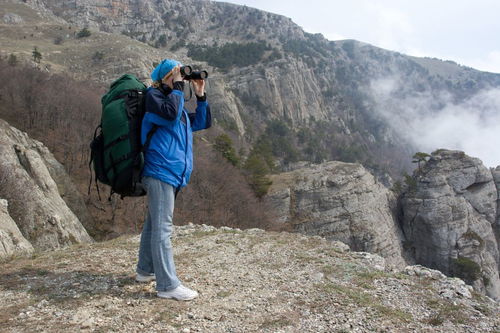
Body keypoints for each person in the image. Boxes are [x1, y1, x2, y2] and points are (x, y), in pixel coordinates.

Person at [135, 59, 211, 301]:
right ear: (165, 77)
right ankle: (167, 285)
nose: (180, 78)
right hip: (159, 170)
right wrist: (177, 87)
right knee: (163, 228)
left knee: (153, 223)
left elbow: (201, 122)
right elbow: (168, 115)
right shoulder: (153, 97)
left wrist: (200, 95)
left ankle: (145, 271)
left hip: (170, 173)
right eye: (175, 74)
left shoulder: (174, 106)